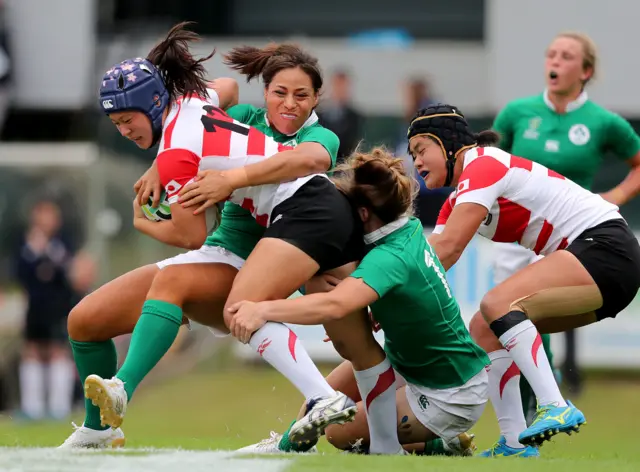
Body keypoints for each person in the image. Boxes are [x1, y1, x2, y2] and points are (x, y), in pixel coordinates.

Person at [60, 24, 363, 449]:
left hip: (289, 225)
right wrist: (158, 168)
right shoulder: (201, 107)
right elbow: (223, 88)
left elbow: (189, 233)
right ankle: (98, 428)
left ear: (316, 100)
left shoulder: (186, 148)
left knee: (225, 301)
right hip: (233, 247)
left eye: (127, 120)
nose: (123, 131)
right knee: (85, 321)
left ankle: (123, 389)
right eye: (116, 123)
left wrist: (146, 220)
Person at [227, 148, 490, 456]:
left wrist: (262, 309)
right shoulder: (407, 228)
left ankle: (433, 443)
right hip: (417, 363)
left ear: (364, 214)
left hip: (452, 393)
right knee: (327, 393)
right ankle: (289, 446)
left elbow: (335, 305)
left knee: (339, 433)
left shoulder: (389, 258)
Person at [407, 104, 640, 452]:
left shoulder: (484, 163)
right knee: (484, 328)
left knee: (496, 303)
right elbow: (433, 260)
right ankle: (515, 441)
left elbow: (449, 248)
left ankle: (555, 405)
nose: (416, 162)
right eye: (412, 155)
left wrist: (379, 291)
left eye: (421, 150)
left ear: (447, 144)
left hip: (608, 249)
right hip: (602, 267)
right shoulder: (456, 200)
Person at [489, 31, 640, 455]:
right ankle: (521, 420)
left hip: (573, 236)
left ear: (585, 71)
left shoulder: (603, 122)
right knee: (500, 318)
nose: (555, 61)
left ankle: (543, 403)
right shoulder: (518, 113)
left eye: (567, 56)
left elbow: (637, 163)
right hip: (515, 236)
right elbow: (490, 164)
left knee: (527, 316)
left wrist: (618, 196)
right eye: (551, 53)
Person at [14, 200, 76, 421]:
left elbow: (69, 271)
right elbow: (20, 273)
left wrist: (48, 252)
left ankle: (59, 407)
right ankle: (33, 408)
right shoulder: (26, 243)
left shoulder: (63, 242)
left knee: (58, 350)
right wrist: (33, 250)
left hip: (58, 305)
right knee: (32, 350)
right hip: (35, 306)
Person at [317, 69, 363, 163]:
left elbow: (354, 143)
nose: (340, 89)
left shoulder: (355, 117)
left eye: (343, 86)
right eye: (337, 85)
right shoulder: (320, 115)